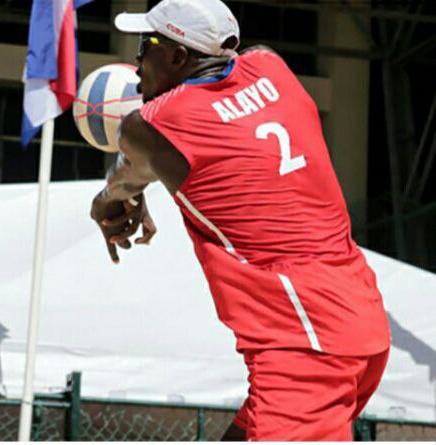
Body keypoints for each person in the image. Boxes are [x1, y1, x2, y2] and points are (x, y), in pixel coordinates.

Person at [90, 0, 390, 440]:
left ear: (177, 57)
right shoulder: (271, 66)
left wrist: (106, 204)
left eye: (145, 45)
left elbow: (125, 176)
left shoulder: (151, 126)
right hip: (358, 316)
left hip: (303, 342)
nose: (135, 62)